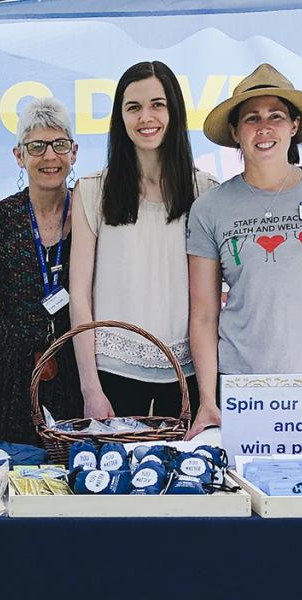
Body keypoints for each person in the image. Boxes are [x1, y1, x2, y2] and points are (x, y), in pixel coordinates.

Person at [185, 64, 302, 437]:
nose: (264, 127)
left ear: (294, 126)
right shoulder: (210, 208)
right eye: (251, 118)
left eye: (276, 116)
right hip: (243, 390)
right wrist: (208, 400)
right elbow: (203, 315)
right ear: (235, 132)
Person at [69, 60, 218, 421]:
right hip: (111, 375)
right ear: (120, 117)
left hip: (186, 375)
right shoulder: (91, 191)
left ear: (175, 111)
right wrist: (90, 387)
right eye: (133, 107)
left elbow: (209, 305)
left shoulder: (206, 191)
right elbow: (79, 294)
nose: (145, 117)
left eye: (157, 104)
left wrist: (207, 396)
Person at [0, 97, 84, 444]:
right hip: (3, 372)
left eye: (59, 144)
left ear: (74, 152)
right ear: (19, 155)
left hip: (75, 367)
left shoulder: (93, 214)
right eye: (37, 146)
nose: (49, 156)